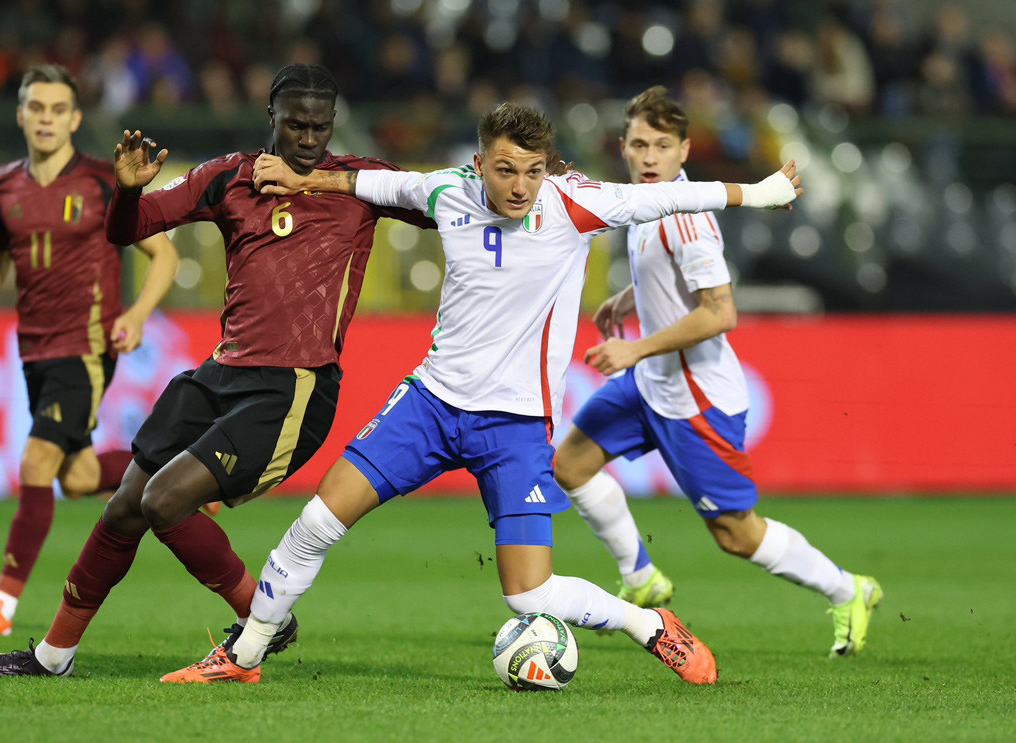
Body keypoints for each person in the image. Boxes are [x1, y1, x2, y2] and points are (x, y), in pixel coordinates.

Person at [160, 102, 802, 685]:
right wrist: (305, 180)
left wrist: (762, 192)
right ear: (479, 166)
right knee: (317, 523)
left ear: (547, 169)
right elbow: (370, 182)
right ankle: (244, 658)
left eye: (531, 171)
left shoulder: (572, 205)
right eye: (504, 171)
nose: (519, 186)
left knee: (529, 597)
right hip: (430, 405)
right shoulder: (448, 192)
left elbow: (669, 201)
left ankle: (652, 626)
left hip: (517, 428)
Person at [0, 63, 434, 679]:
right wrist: (128, 191)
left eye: (320, 127)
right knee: (126, 505)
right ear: (272, 117)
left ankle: (262, 616)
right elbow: (130, 229)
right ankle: (52, 657)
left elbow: (439, 200)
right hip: (219, 375)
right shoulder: (227, 178)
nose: (309, 139)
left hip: (292, 388)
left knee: (162, 502)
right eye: (296, 125)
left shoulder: (360, 182)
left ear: (333, 124)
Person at [552, 86, 882, 657]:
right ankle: (640, 577)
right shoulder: (648, 204)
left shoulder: (688, 218)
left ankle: (847, 588)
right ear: (623, 150)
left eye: (661, 145)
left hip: (696, 400)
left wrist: (634, 349)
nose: (648, 156)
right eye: (637, 144)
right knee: (571, 462)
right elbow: (675, 279)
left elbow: (720, 310)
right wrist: (632, 299)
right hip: (652, 385)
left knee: (736, 534)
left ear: (684, 150)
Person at [0, 64, 178, 638]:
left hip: (87, 345)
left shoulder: (103, 182)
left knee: (36, 462)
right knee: (74, 477)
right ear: (21, 114)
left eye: (57, 109)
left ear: (75, 118)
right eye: (36, 108)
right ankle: (181, 474)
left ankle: (0, 603)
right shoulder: (4, 186)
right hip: (34, 351)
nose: (46, 119)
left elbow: (164, 256)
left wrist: (137, 314)